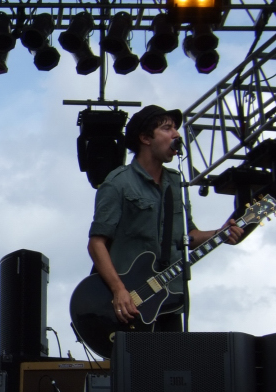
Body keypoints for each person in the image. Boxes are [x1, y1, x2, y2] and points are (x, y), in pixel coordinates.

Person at [87, 104, 242, 332]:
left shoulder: (176, 183)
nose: (176, 134)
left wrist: (220, 233)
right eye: (167, 128)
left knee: (175, 356)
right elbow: (96, 244)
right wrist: (119, 290)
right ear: (145, 138)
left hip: (170, 299)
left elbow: (187, 235)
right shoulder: (118, 183)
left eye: (175, 128)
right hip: (129, 304)